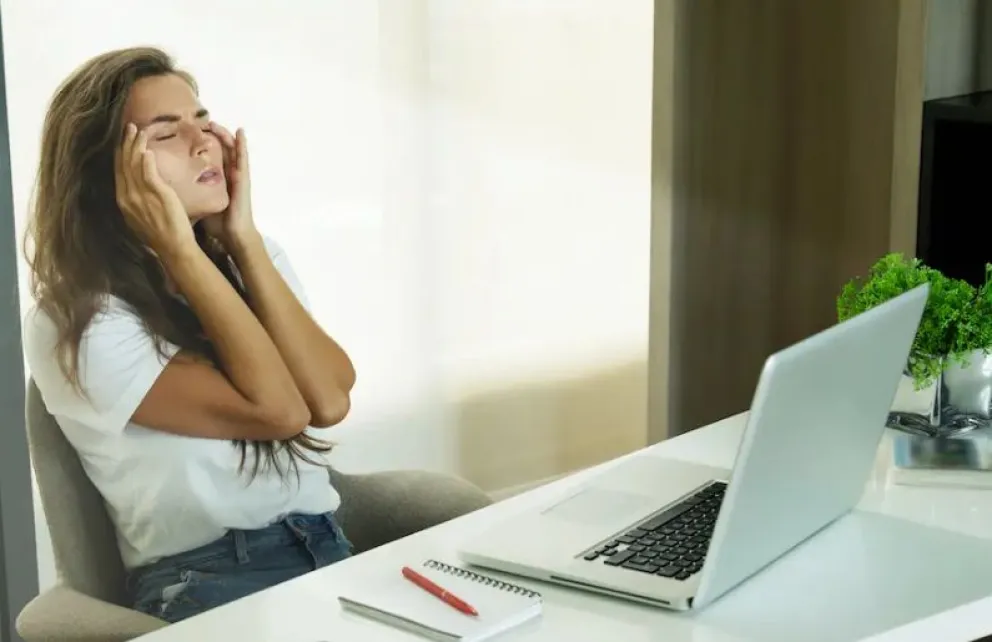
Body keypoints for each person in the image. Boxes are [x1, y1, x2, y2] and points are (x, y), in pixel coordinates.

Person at [22, 46, 357, 623]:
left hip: (329, 546)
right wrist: (180, 249)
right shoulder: (75, 321)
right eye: (166, 133)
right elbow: (278, 412)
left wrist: (244, 242)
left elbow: (328, 401)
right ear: (107, 173)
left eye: (203, 121)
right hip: (211, 580)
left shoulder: (251, 257)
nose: (205, 142)